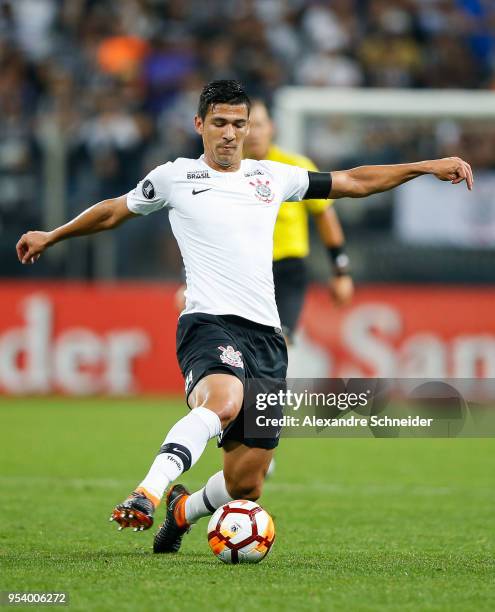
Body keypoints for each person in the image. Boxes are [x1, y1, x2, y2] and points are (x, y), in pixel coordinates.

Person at [16, 80, 473, 555]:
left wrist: (424, 166)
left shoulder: (272, 177)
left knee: (247, 485)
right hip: (208, 323)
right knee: (224, 399)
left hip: (266, 341)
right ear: (200, 126)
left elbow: (354, 182)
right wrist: (53, 235)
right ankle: (148, 491)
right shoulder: (175, 177)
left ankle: (181, 511)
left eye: (239, 123)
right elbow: (114, 211)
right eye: (220, 123)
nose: (231, 133)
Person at [175, 99, 354, 343]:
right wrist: (189, 277)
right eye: (248, 125)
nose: (254, 133)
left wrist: (340, 270)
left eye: (259, 125)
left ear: (271, 127)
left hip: (287, 271)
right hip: (239, 269)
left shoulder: (294, 167)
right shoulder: (222, 171)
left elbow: (324, 215)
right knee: (235, 343)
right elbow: (203, 226)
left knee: (279, 341)